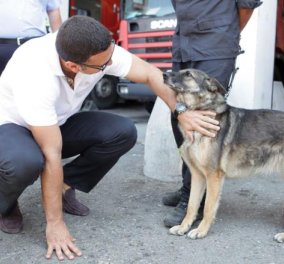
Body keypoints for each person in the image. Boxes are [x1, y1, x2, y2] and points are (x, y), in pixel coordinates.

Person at [0, 16, 220, 261]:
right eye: (103, 66)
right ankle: (6, 205)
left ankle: (63, 188)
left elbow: (149, 73)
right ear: (73, 66)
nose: (111, 64)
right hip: (12, 127)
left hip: (57, 122)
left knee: (122, 132)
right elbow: (51, 153)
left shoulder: (99, 51)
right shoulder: (35, 72)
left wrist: (181, 111)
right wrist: (54, 223)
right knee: (26, 162)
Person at [162, 0, 263, 228]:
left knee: (205, 119)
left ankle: (194, 199)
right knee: (179, 114)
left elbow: (247, 4)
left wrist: (226, 36)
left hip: (215, 45)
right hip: (183, 44)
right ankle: (190, 184)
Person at [0, 0, 62, 75]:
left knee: (34, 84)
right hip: (2, 46)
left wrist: (60, 48)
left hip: (34, 47)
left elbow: (53, 10)